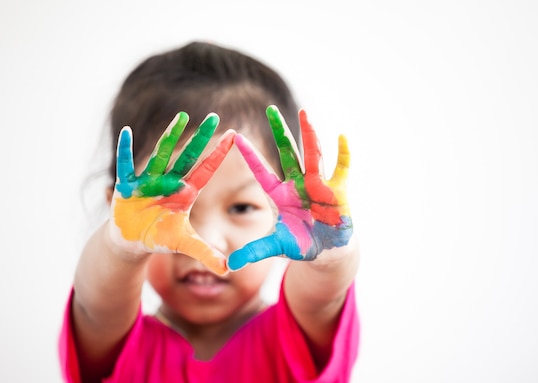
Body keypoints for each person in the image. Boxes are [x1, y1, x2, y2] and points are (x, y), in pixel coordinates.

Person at [58, 41, 360, 382]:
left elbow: (322, 298)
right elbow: (94, 304)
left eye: (242, 207)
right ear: (119, 209)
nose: (209, 240)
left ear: (285, 214)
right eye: (168, 208)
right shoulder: (112, 341)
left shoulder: (297, 338)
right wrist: (118, 246)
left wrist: (331, 257)